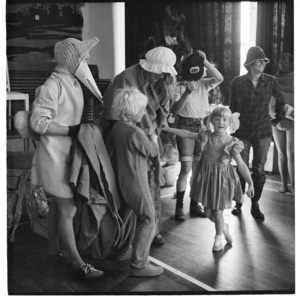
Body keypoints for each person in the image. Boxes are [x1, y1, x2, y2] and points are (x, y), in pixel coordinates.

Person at [30, 37, 103, 280]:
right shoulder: (51, 86)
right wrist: (71, 130)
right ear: (71, 59)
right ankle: (76, 262)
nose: (87, 59)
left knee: (59, 208)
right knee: (68, 209)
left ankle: (54, 248)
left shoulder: (71, 81)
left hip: (67, 154)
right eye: (83, 56)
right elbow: (38, 122)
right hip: (53, 157)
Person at [101, 46, 177, 246]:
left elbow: (163, 111)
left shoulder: (164, 79)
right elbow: (116, 113)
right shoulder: (126, 77)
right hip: (129, 138)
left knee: (151, 184)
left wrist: (152, 129)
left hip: (149, 135)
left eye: (164, 73)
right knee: (131, 187)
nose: (160, 76)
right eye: (157, 71)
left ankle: (152, 229)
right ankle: (126, 234)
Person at [162, 106, 254, 251]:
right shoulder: (206, 135)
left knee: (217, 212)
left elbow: (241, 164)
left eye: (224, 119)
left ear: (229, 122)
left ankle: (218, 239)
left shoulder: (231, 142)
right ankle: (223, 226)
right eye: (217, 119)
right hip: (208, 178)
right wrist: (168, 129)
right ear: (211, 121)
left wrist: (250, 183)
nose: (221, 122)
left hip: (222, 180)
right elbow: (186, 133)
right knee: (208, 213)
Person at [111, 86, 164, 277]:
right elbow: (153, 151)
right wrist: (153, 136)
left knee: (126, 216)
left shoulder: (118, 127)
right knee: (149, 218)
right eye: (141, 110)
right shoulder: (136, 133)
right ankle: (139, 264)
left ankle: (122, 251)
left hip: (122, 181)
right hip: (136, 181)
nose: (143, 113)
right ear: (131, 111)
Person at [229, 46, 286, 219]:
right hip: (242, 131)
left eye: (264, 61)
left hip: (263, 131)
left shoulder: (271, 81)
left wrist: (275, 121)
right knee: (240, 168)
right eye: (259, 61)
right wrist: (233, 126)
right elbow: (232, 108)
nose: (263, 63)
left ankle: (255, 204)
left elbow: (281, 103)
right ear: (251, 64)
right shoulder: (237, 82)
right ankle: (239, 203)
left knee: (259, 170)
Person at [170, 50, 224, 221]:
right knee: (186, 169)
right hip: (185, 124)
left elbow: (220, 78)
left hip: (202, 126)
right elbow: (175, 110)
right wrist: (187, 92)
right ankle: (179, 207)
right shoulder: (179, 86)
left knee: (197, 169)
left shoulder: (204, 84)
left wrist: (205, 60)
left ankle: (194, 204)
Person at [272, 52, 294, 194]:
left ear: (292, 63)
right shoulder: (273, 79)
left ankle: (295, 186)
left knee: (291, 153)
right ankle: (284, 184)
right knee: (280, 153)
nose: (282, 63)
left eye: (286, 60)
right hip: (277, 119)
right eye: (280, 60)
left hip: (293, 120)